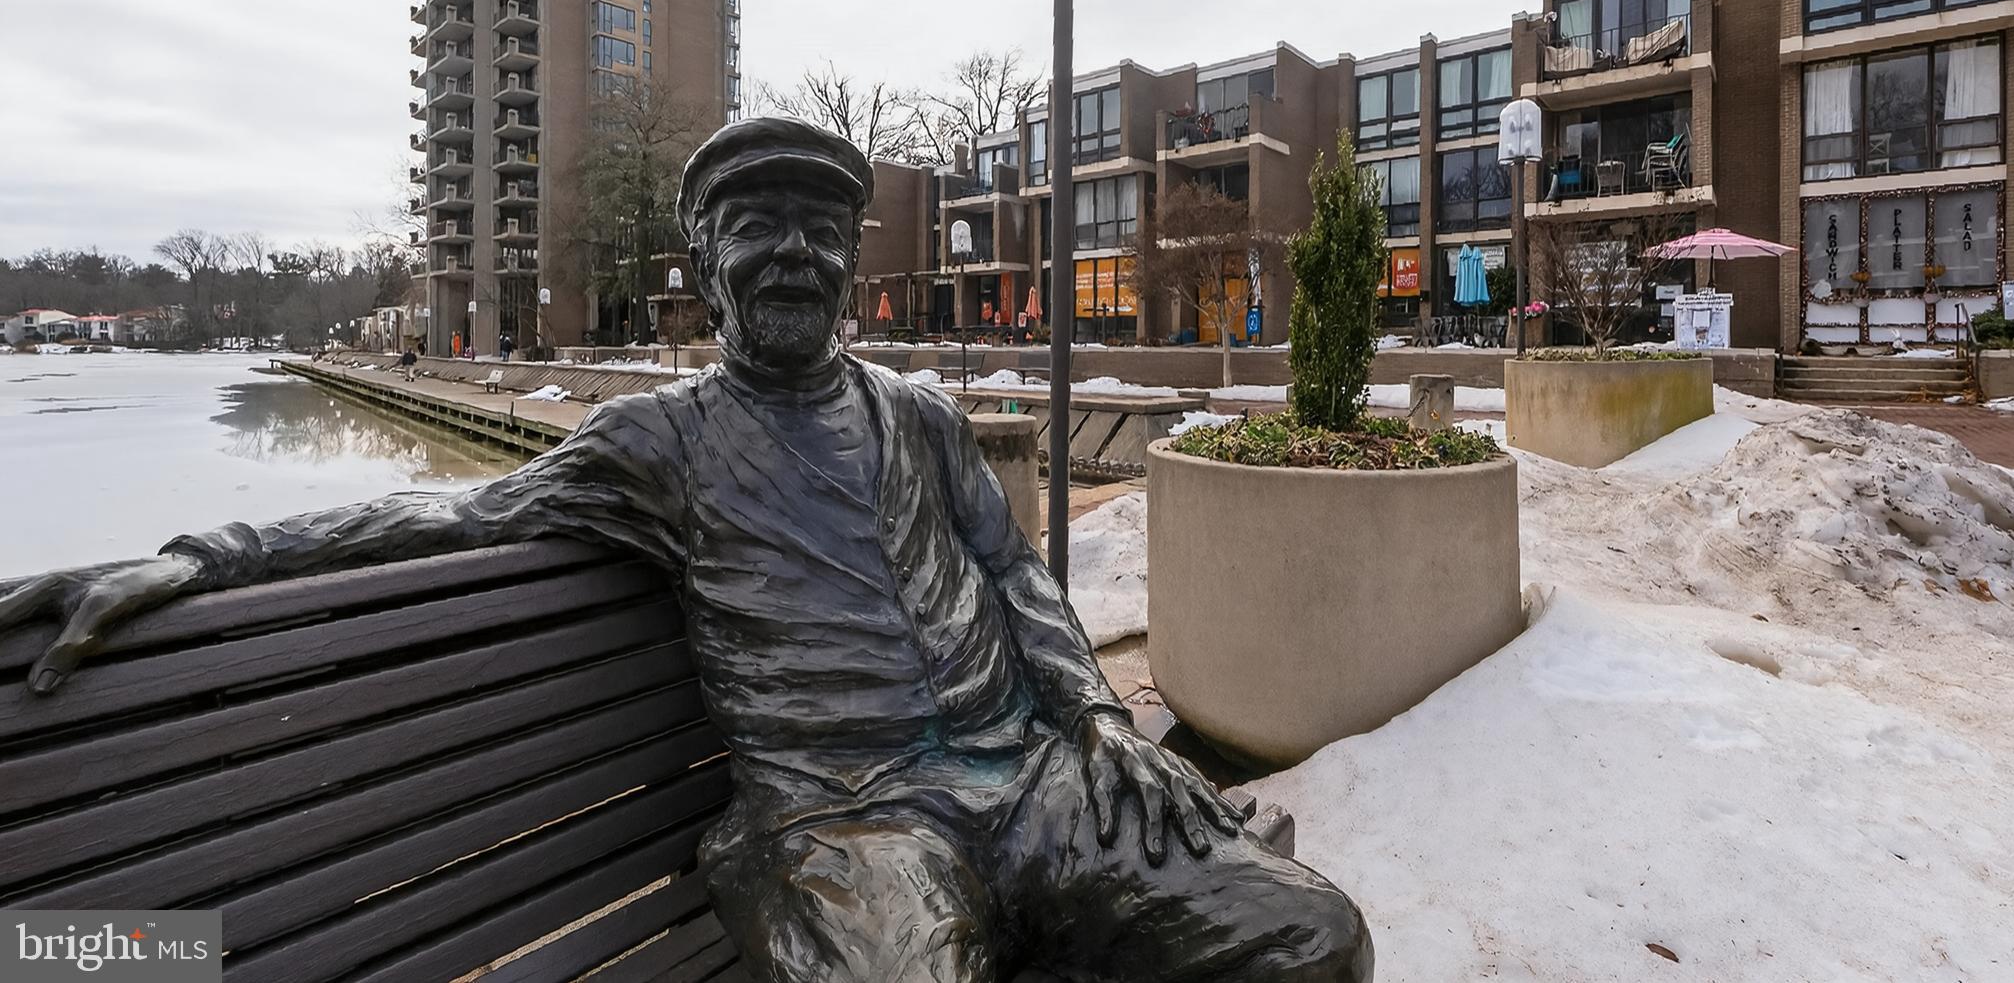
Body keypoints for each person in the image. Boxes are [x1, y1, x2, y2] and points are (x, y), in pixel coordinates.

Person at [0, 119, 1370, 983]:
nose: (792, 257)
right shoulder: (659, 441)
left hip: (1034, 778)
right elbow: (449, 517)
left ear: (851, 262)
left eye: (820, 234)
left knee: (1310, 939)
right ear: (704, 261)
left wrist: (1097, 720)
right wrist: (208, 549)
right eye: (756, 230)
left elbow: (1015, 577)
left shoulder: (922, 417)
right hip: (849, 821)